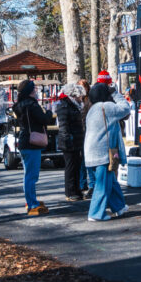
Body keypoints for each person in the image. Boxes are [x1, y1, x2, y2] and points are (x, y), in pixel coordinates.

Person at [84, 82, 130, 221]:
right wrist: (115, 93)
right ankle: (95, 213)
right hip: (103, 153)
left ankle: (119, 207)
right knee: (102, 185)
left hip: (91, 152)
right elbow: (125, 108)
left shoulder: (91, 109)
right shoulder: (106, 106)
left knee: (110, 181)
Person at [13, 79, 54, 216]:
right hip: (32, 142)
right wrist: (49, 112)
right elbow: (44, 119)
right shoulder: (32, 105)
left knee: (28, 174)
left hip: (24, 140)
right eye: (34, 89)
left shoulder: (19, 105)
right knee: (31, 176)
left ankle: (31, 200)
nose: (36, 91)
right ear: (30, 91)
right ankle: (31, 203)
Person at [55, 83, 87, 201]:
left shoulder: (73, 105)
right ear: (74, 95)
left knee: (76, 166)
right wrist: (68, 141)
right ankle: (70, 192)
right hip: (69, 142)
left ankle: (76, 190)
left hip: (76, 140)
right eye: (80, 96)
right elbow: (63, 127)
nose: (81, 98)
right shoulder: (64, 106)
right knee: (70, 167)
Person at [77, 78, 94, 199]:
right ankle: (82, 184)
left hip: (88, 132)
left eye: (84, 86)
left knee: (88, 160)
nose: (82, 89)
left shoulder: (90, 100)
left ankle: (92, 184)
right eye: (80, 87)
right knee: (81, 160)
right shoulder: (77, 100)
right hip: (80, 133)